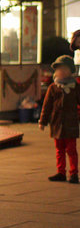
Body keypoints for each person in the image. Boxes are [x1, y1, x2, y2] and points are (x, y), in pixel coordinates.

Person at [38, 55, 80, 184]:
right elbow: (47, 106)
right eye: (58, 69)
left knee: (71, 150)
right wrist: (43, 121)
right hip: (56, 123)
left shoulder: (75, 87)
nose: (60, 72)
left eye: (63, 69)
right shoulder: (53, 87)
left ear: (69, 71)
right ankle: (61, 172)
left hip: (71, 123)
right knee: (59, 150)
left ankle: (74, 173)